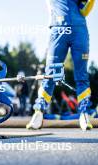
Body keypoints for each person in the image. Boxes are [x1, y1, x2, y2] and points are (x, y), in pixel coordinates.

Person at [26, 0, 95, 131]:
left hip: (79, 30)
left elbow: (84, 10)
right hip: (58, 29)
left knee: (81, 75)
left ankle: (84, 113)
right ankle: (39, 112)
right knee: (50, 74)